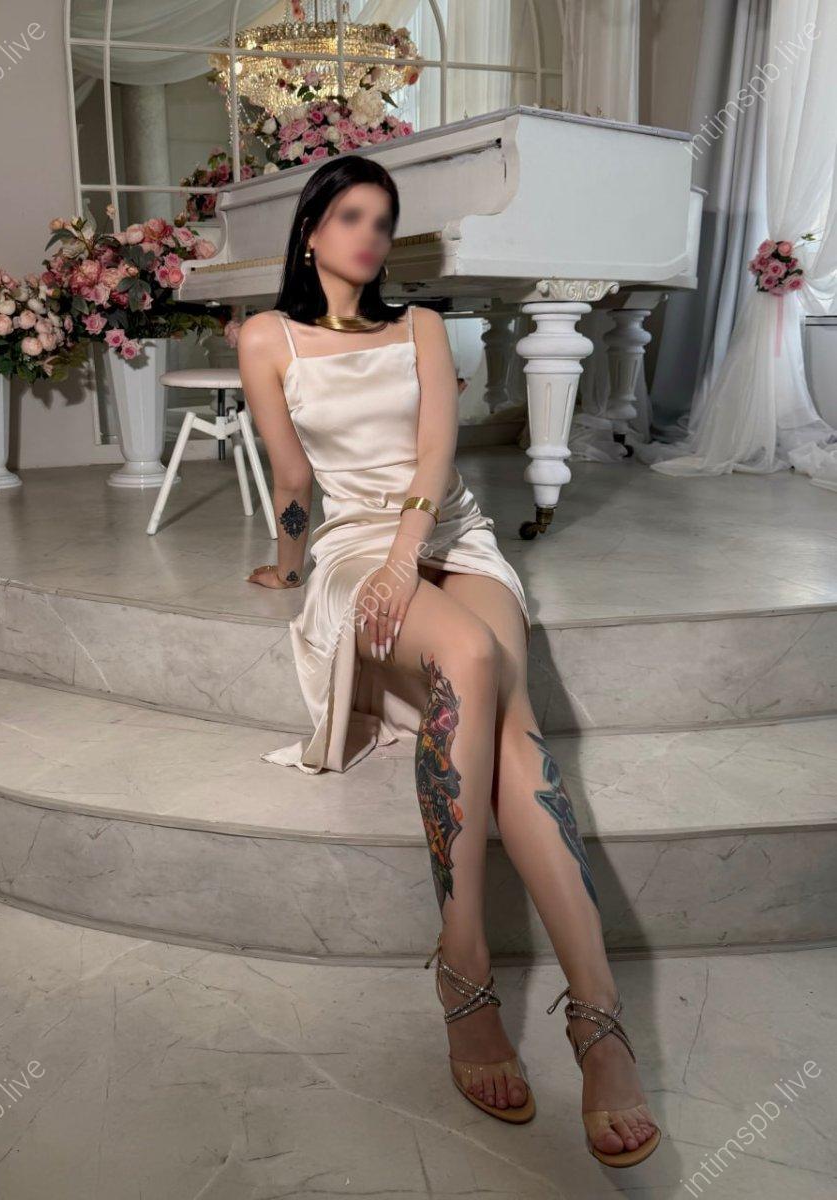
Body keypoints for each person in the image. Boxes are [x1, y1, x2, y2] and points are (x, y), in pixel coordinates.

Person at [237, 155, 661, 1166]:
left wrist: (410, 556)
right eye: (349, 216)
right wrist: (291, 563)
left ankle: (592, 1012)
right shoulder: (265, 337)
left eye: (381, 221)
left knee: (502, 705)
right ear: (311, 230)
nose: (368, 237)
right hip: (354, 548)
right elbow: (292, 474)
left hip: (451, 535)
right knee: (468, 657)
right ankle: (467, 957)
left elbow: (436, 457)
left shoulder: (421, 325)